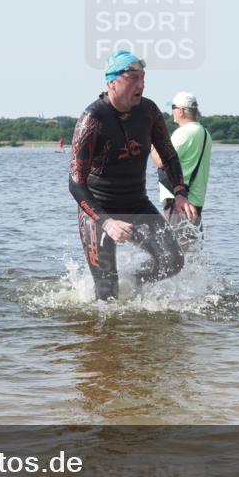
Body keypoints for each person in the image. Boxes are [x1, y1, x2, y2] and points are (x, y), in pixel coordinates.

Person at [69, 51, 197, 300]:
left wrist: (180, 192)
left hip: (136, 204)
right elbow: (76, 184)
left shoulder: (148, 111)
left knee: (173, 261)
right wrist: (106, 221)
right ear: (112, 82)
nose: (141, 85)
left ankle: (134, 284)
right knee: (107, 289)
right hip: (98, 210)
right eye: (133, 78)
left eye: (143, 78)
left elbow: (168, 156)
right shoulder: (92, 120)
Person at [150, 92, 212, 237]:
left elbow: (160, 160)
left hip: (179, 199)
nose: (172, 112)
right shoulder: (204, 133)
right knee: (192, 248)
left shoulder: (184, 133)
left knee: (176, 248)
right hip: (196, 199)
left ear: (181, 111)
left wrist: (153, 140)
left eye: (173, 107)